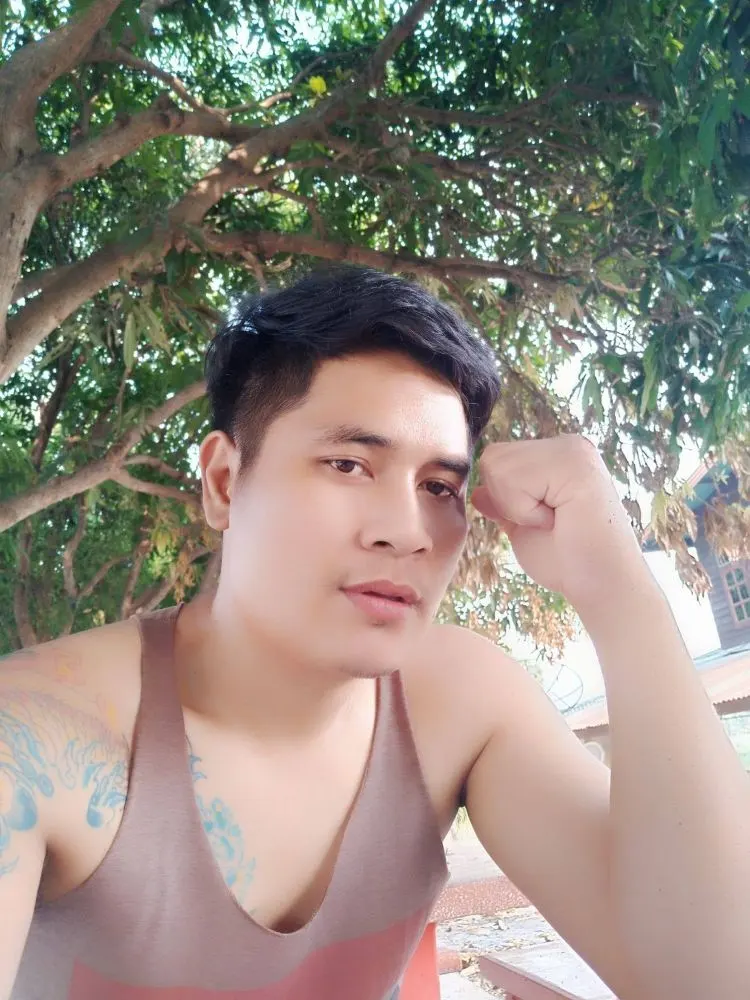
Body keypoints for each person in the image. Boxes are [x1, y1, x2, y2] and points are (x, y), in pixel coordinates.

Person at [2, 268, 749, 1000]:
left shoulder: (459, 703)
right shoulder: (35, 739)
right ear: (225, 482)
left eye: (439, 487)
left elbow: (709, 980)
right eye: (348, 464)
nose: (408, 531)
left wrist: (622, 596)